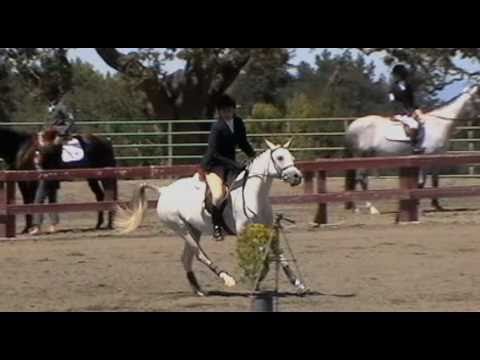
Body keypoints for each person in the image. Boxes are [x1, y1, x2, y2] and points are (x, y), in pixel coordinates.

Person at [199, 94, 256, 241]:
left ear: (233, 109)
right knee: (218, 196)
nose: (227, 113)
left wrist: (253, 156)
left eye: (229, 110)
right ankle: (217, 226)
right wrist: (235, 165)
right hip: (213, 165)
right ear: (219, 112)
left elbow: (243, 142)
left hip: (230, 163)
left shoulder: (238, 122)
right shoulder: (217, 127)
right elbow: (214, 153)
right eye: (224, 111)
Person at [389, 64, 425, 154]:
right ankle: (414, 146)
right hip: (399, 112)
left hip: (410, 111)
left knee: (422, 121)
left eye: (396, 75)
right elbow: (393, 102)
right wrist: (404, 112)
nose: (394, 77)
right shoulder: (392, 88)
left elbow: (412, 100)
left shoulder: (409, 86)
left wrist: (417, 109)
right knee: (413, 124)